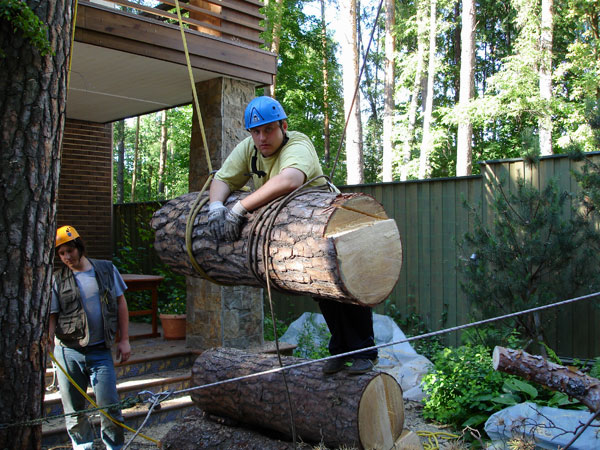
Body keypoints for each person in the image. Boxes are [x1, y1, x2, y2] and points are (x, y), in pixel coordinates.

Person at [207, 96, 377, 375]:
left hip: (329, 221)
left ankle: (364, 352)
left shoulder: (298, 143)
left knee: (347, 282)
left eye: (269, 130)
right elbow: (222, 179)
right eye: (256, 131)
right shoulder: (249, 148)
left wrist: (238, 208)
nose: (262, 137)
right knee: (323, 290)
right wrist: (215, 207)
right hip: (300, 229)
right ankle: (341, 350)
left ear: (283, 126)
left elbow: (290, 180)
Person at [48, 225, 131, 450]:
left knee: (110, 404)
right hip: (68, 351)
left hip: (100, 350)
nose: (67, 257)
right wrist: (47, 343)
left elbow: (121, 303)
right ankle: (82, 445)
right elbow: (52, 315)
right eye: (61, 253)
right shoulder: (57, 279)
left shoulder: (105, 269)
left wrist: (124, 340)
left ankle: (114, 446)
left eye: (70, 251)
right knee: (74, 409)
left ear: (79, 247)